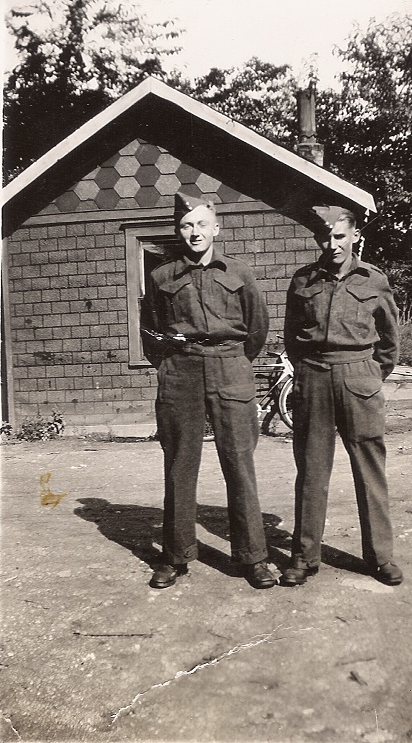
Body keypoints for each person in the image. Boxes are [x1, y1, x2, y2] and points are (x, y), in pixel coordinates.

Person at [140, 189, 276, 590]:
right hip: (181, 370)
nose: (194, 232)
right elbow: (151, 332)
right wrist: (172, 364)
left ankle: (253, 558)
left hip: (230, 367)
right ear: (177, 231)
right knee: (180, 464)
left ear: (216, 227)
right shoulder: (162, 276)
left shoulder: (240, 272)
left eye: (201, 224)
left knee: (239, 464)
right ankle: (176, 557)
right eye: (186, 225)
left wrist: (231, 359)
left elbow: (257, 329)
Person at [281, 205, 402, 586]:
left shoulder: (374, 280)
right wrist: (307, 371)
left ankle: (380, 557)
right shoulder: (303, 280)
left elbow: (389, 340)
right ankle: (304, 557)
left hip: (359, 377)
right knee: (312, 470)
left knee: (369, 469)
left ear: (354, 237)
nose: (331, 244)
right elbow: (292, 336)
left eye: (338, 236)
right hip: (314, 376)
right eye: (324, 237)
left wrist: (367, 374)